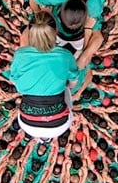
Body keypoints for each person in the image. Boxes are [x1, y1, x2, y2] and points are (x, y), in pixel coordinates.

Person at [10, 11, 78, 140]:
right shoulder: (65, 55)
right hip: (57, 124)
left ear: (30, 32)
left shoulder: (20, 55)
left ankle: (43, 136)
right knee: (67, 88)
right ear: (56, 31)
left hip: (28, 124)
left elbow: (16, 81)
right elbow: (73, 82)